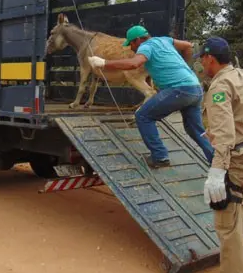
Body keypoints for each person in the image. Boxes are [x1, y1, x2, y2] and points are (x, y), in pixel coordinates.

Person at [194, 36, 243, 273]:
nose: (201, 64)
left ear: (210, 58)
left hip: (234, 159)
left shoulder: (219, 85)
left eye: (202, 59)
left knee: (226, 222)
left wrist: (217, 170)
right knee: (239, 216)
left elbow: (224, 135)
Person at [87, 24, 214, 167]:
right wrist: (182, 64)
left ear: (137, 40)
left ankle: (160, 156)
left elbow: (134, 64)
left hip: (179, 89)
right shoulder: (164, 40)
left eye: (131, 44)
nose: (131, 48)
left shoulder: (145, 46)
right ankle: (217, 162)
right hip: (195, 88)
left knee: (143, 115)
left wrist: (104, 63)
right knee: (196, 130)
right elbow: (188, 46)